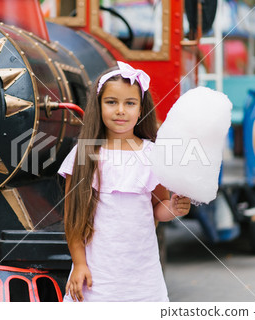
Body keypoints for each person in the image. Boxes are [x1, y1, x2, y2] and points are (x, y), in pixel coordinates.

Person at [58, 61, 191, 302]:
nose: (121, 110)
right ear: (98, 107)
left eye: (130, 103)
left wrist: (172, 208)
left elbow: (157, 208)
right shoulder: (85, 153)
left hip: (143, 276)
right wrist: (79, 264)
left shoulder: (153, 155)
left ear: (141, 110)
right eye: (111, 102)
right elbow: (72, 217)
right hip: (98, 276)